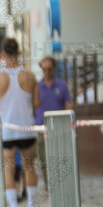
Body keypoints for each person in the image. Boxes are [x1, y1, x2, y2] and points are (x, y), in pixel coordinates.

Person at [0, 37, 40, 207]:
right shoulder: (30, 75)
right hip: (26, 127)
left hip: (7, 129)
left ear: (2, 55)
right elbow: (36, 102)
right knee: (29, 167)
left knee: (8, 169)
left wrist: (4, 107)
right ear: (19, 53)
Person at [34, 55, 73, 194]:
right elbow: (32, 106)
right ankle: (48, 186)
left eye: (49, 69)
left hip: (58, 128)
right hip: (41, 128)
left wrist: (69, 122)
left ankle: (60, 185)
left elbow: (68, 104)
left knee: (59, 158)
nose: (47, 72)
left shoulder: (61, 85)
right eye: (44, 69)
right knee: (44, 160)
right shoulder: (37, 87)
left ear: (54, 69)